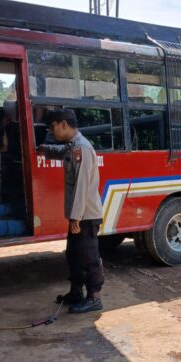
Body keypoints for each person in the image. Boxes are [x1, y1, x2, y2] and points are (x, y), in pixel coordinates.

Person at [37, 109, 104, 313]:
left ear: (64, 124)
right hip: (79, 215)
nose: (52, 131)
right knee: (73, 255)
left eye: (53, 126)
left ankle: (94, 297)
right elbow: (61, 152)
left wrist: (75, 216)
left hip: (85, 215)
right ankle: (76, 292)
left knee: (88, 257)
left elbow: (82, 185)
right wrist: (45, 149)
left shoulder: (81, 148)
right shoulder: (73, 146)